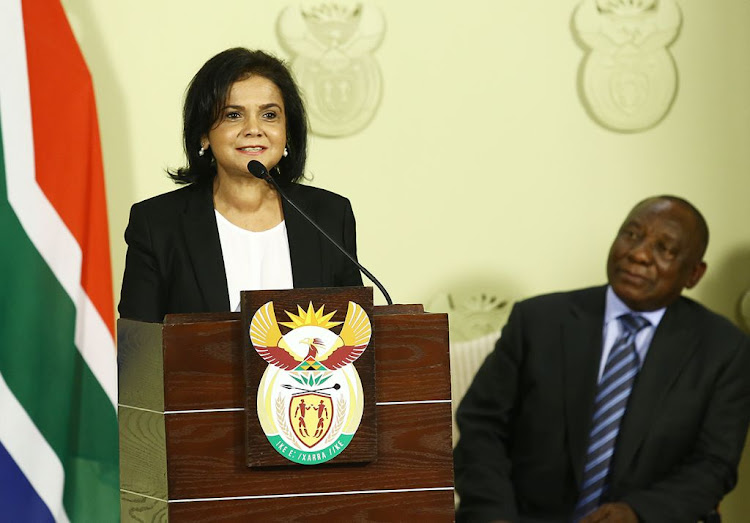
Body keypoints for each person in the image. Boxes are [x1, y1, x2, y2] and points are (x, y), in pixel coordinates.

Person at [454, 196, 750, 523]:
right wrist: (493, 514)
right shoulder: (538, 321)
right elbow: (481, 426)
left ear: (694, 274)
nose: (638, 254)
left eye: (665, 249)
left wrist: (638, 513)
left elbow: (714, 464)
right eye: (632, 235)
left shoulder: (725, 350)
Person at [118, 48, 362, 323]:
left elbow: (354, 335)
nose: (253, 128)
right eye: (234, 115)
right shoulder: (158, 224)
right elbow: (139, 350)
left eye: (269, 115)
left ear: (287, 131)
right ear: (203, 134)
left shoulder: (329, 215)